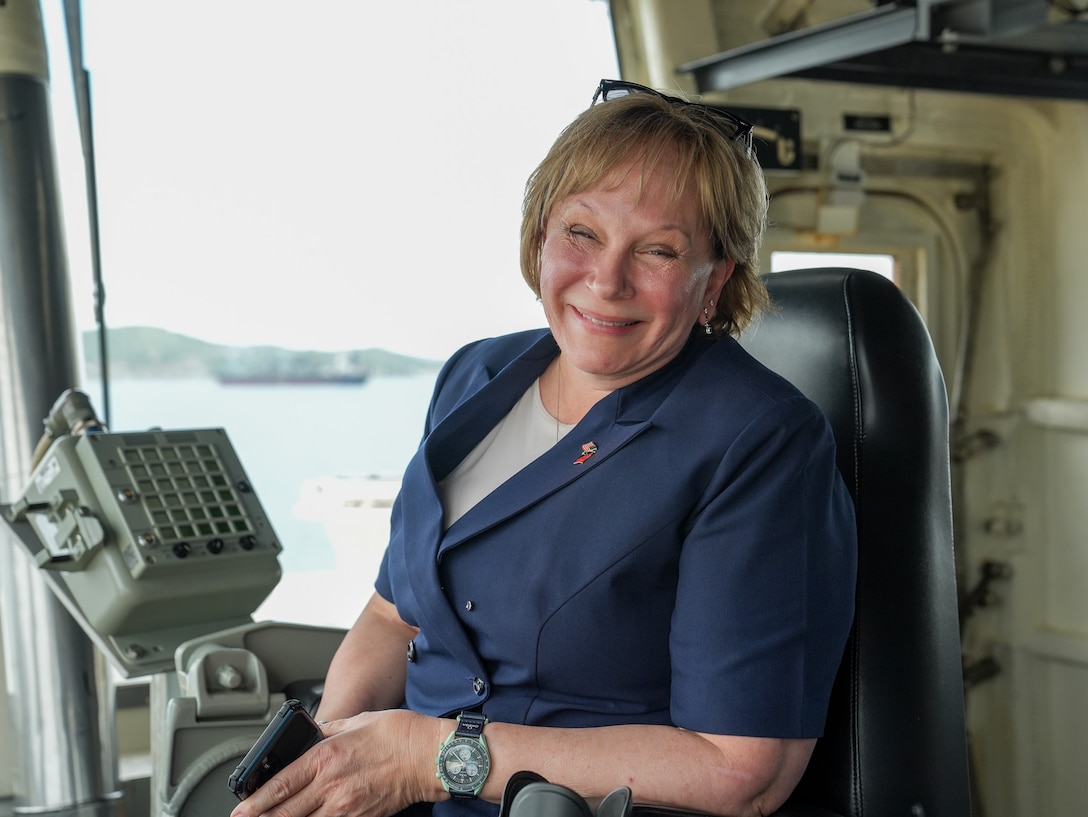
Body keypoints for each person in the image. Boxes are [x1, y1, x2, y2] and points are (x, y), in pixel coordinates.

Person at [230, 79, 857, 817]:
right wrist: (332, 761)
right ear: (539, 236)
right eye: (582, 233)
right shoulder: (476, 375)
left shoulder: (761, 441)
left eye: (657, 250)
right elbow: (390, 617)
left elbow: (741, 769)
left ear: (714, 281)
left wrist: (427, 760)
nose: (607, 279)